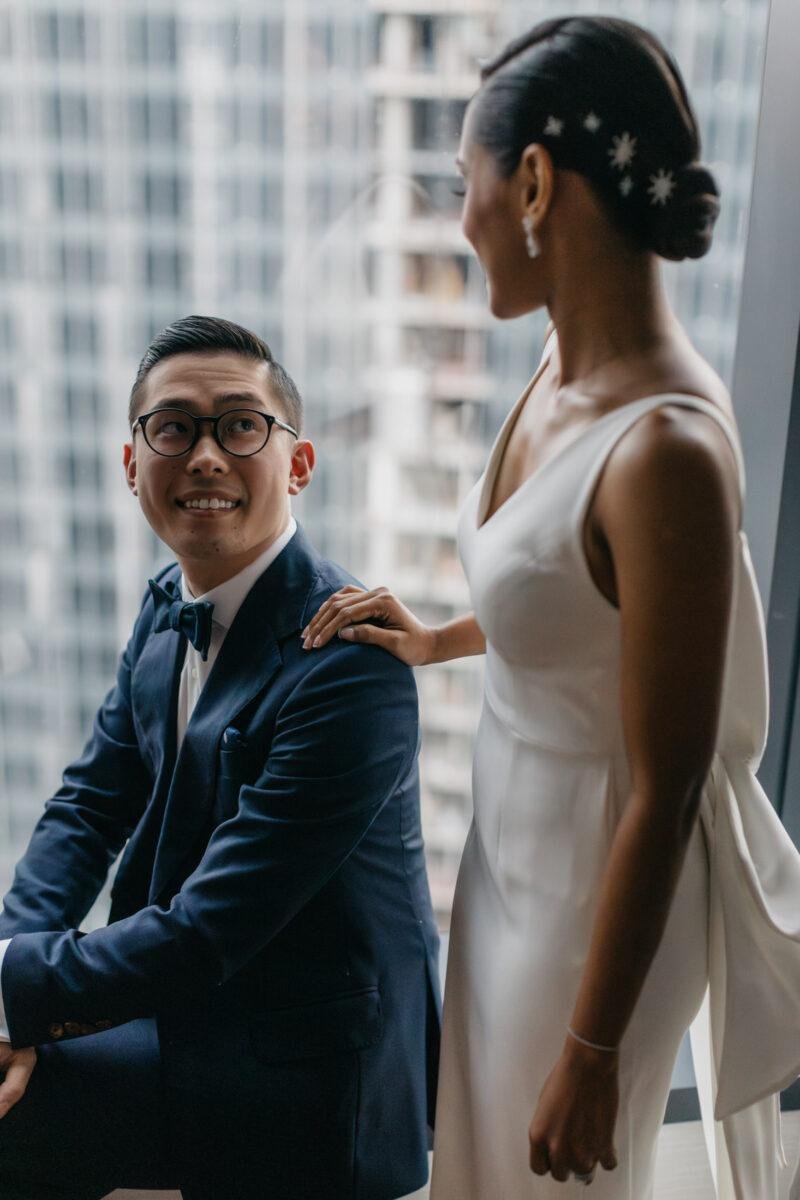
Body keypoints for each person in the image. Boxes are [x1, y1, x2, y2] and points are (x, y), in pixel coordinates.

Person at [302, 16, 800, 1199]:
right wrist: (437, 639)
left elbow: (668, 779)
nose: (457, 220)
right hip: (507, 868)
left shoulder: (664, 447)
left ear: (532, 182)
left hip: (592, 918)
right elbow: (583, 606)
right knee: (475, 1158)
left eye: (466, 183)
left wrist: (590, 1051)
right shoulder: (555, 370)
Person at [0, 315, 441, 1200]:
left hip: (299, 1069)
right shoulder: (168, 600)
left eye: (240, 426)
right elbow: (88, 809)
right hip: (187, 1007)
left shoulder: (351, 665)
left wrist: (16, 995)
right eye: (174, 428)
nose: (205, 456)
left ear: (298, 464)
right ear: (133, 466)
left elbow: (211, 928)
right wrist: (14, 968)